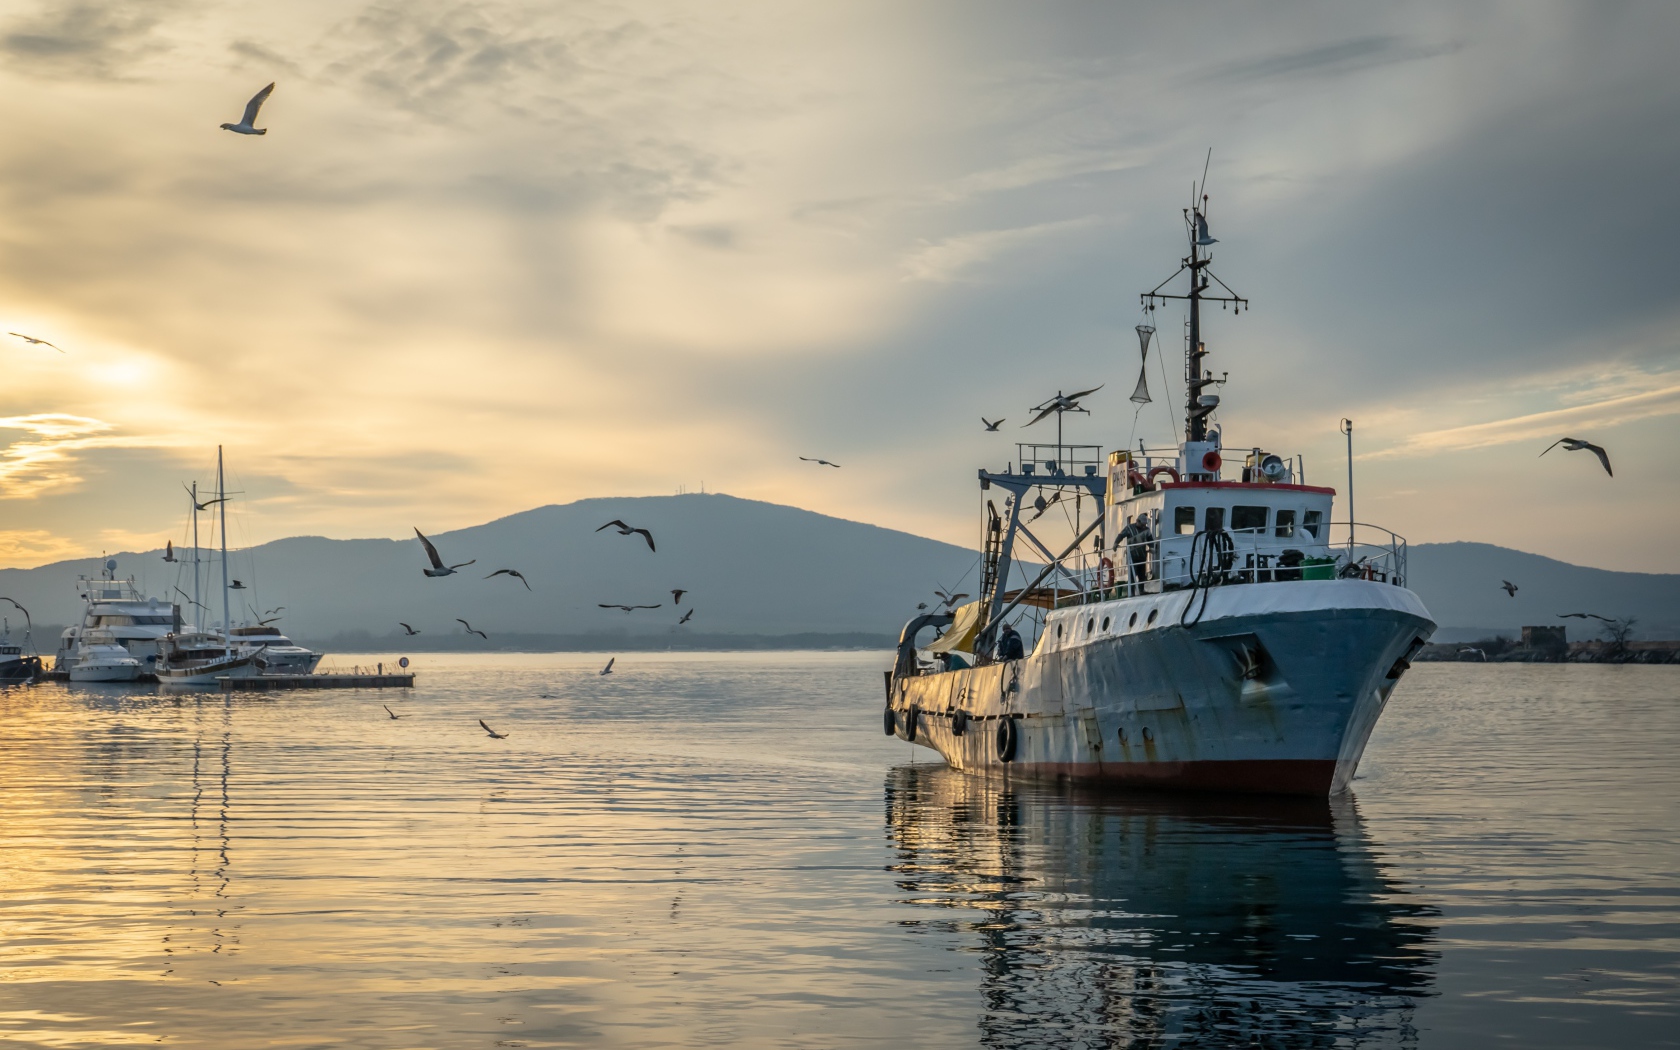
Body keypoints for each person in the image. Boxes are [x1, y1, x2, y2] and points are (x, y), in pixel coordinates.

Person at [1116, 513, 1153, 591]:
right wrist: (1116, 543)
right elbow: (1121, 535)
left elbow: (1150, 540)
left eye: (1144, 524)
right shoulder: (1129, 528)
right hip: (1132, 555)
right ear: (1137, 521)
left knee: (1142, 574)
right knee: (1132, 575)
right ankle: (1131, 591)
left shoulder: (1147, 530)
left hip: (1142, 555)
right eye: (1142, 524)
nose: (1143, 526)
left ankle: (1141, 590)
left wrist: (1152, 548)